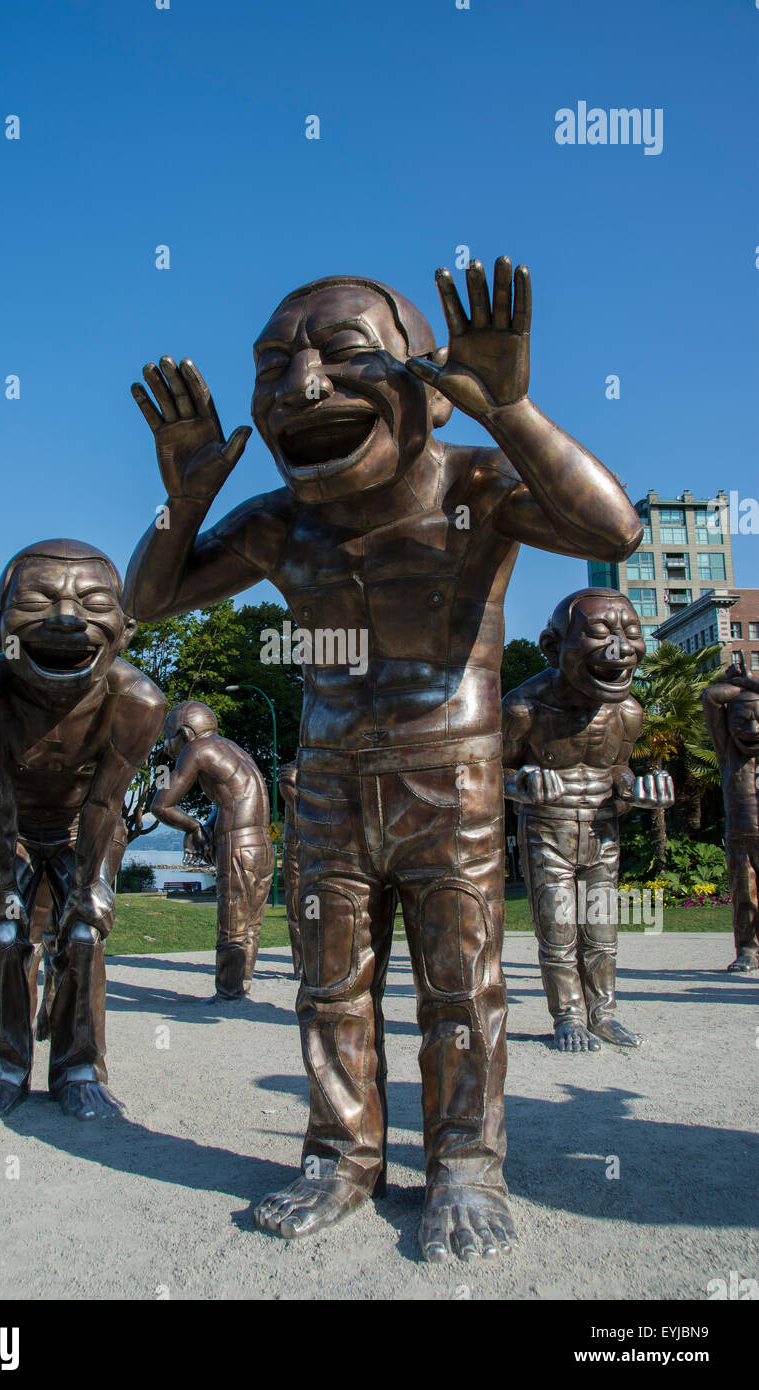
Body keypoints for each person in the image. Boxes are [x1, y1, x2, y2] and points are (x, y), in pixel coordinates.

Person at [123, 258, 642, 1260]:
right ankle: (341, 1154)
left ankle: (465, 1164)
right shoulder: (284, 523)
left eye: (344, 355)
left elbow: (611, 526)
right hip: (326, 787)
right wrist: (182, 500)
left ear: (430, 392)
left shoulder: (478, 485)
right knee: (328, 985)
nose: (303, 386)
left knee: (462, 988)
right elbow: (149, 600)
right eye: (274, 367)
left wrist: (513, 410)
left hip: (452, 776)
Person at [0, 538, 166, 1121]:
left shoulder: (136, 700)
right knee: (3, 935)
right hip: (13, 829)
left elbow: (104, 803)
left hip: (79, 830)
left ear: (125, 630)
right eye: (39, 602)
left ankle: (80, 1069)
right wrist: (0, 887)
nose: (67, 620)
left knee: (85, 937)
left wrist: (90, 890)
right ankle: (1, 1069)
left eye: (93, 605)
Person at [503, 589, 674, 1050]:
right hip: (548, 833)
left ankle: (604, 1013)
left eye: (631, 634)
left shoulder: (628, 713)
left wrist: (639, 791)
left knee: (602, 932)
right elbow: (484, 773)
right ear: (552, 646)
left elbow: (617, 770)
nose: (621, 648)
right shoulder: (524, 708)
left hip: (603, 833)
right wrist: (519, 783)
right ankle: (568, 1017)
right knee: (559, 930)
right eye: (600, 634)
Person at [151, 701, 273, 999]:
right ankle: (239, 986)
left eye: (169, 741)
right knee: (251, 923)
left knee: (231, 922)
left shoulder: (197, 749)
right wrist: (205, 826)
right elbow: (232, 799)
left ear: (184, 733)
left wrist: (192, 827)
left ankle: (228, 992)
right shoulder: (231, 748)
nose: (169, 748)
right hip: (262, 845)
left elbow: (160, 804)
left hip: (237, 844)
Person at [703, 669, 759, 973]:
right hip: (741, 838)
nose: (752, 728)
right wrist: (744, 688)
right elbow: (710, 697)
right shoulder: (728, 755)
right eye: (742, 720)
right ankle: (748, 950)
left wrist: (750, 683)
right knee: (743, 899)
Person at [278, 760, 302, 979]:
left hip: (321, 850)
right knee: (297, 908)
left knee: (316, 908)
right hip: (297, 848)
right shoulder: (291, 771)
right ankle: (301, 964)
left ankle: (316, 961)